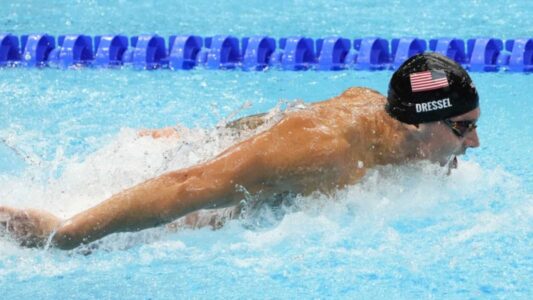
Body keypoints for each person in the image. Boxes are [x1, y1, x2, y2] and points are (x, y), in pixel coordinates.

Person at [0, 53, 480, 250]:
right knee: (75, 234)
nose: (473, 143)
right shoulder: (325, 147)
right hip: (189, 179)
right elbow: (187, 185)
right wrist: (67, 235)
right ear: (420, 123)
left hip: (231, 148)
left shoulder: (414, 139)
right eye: (462, 129)